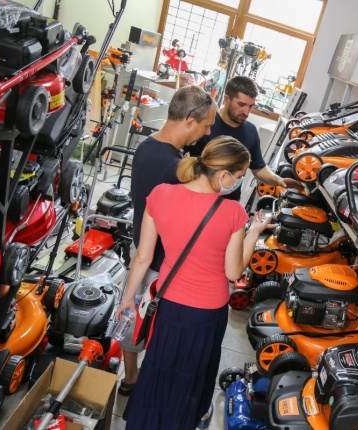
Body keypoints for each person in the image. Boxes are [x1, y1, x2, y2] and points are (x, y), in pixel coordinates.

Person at [118, 136, 273, 430]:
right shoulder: (233, 213)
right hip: (207, 313)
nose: (238, 183)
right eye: (239, 176)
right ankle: (186, 420)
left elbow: (143, 257)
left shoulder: (160, 194)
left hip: (168, 304)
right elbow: (233, 272)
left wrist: (127, 300)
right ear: (224, 175)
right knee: (193, 370)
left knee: (159, 366)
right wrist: (253, 232)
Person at [117, 85, 217, 397]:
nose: (207, 131)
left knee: (132, 317)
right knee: (156, 328)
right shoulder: (177, 170)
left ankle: (130, 378)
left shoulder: (147, 147)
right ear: (190, 121)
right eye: (206, 125)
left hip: (140, 249)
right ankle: (151, 388)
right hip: (161, 263)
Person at [188, 75, 303, 201]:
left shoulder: (251, 131)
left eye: (250, 106)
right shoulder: (206, 125)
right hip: (197, 199)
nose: (246, 112)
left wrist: (278, 180)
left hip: (229, 203)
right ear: (227, 99)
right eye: (241, 104)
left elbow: (258, 167)